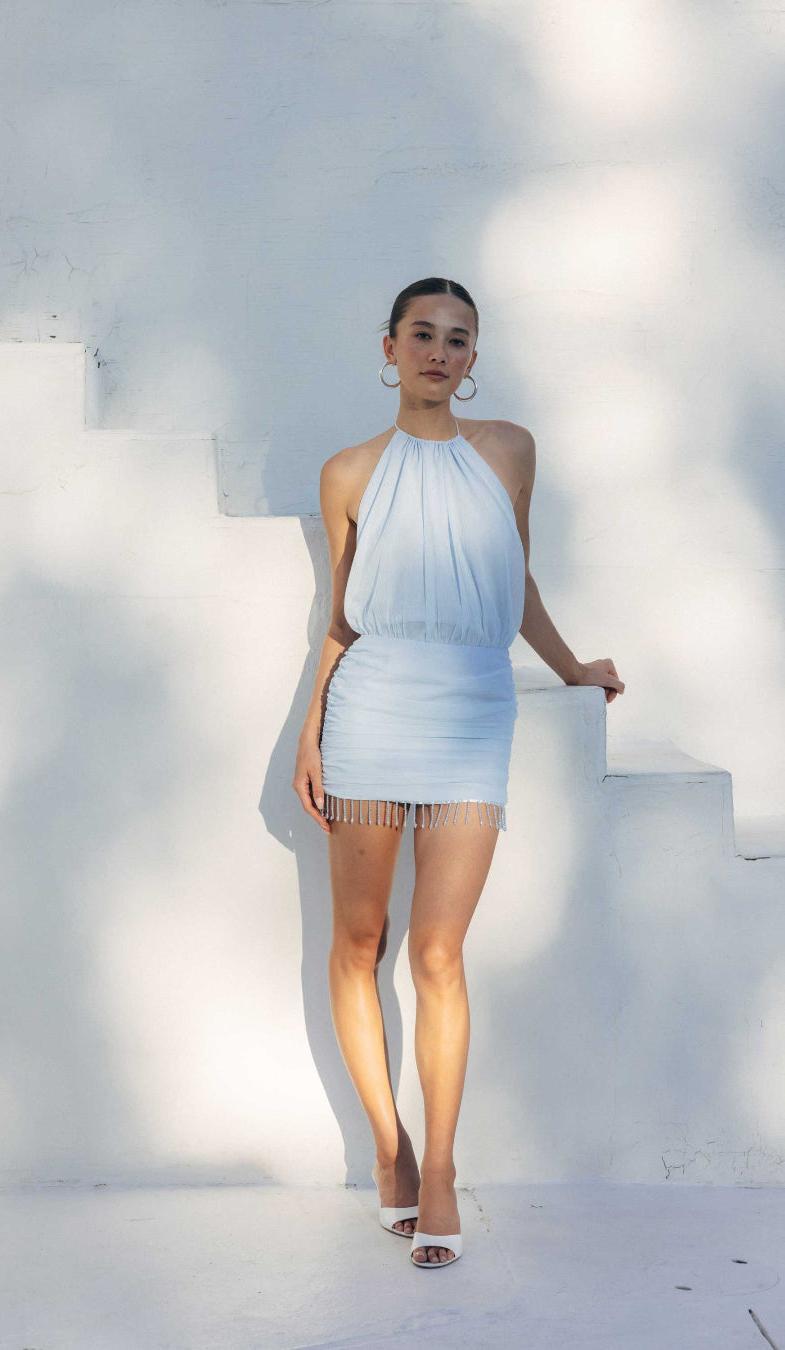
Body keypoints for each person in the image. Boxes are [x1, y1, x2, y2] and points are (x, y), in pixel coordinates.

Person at [293, 277, 624, 1268]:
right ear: (388, 347)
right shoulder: (349, 471)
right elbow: (343, 616)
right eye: (423, 335)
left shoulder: (510, 450)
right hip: (370, 708)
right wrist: (313, 730)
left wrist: (571, 668)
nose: (440, 352)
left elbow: (512, 577)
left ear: (473, 360)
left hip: (474, 709)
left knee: (438, 953)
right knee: (362, 940)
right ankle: (389, 1150)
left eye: (459, 340)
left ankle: (439, 1167)